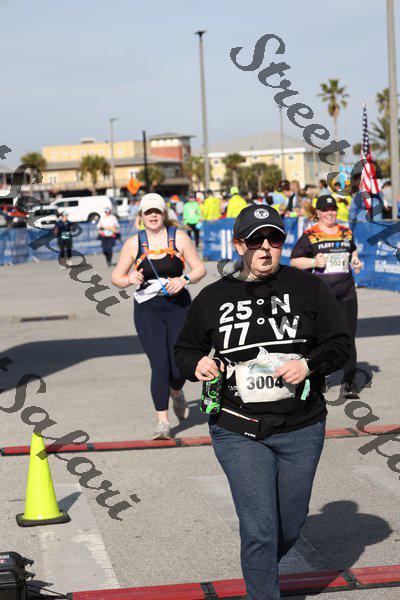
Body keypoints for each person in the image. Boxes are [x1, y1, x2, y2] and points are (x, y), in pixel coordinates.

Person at [174, 204, 350, 600]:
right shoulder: (213, 297)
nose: (266, 247)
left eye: (275, 239)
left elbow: (339, 344)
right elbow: (185, 349)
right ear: (239, 245)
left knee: (290, 525)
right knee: (259, 530)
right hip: (237, 427)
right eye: (256, 240)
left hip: (301, 426)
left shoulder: (309, 288)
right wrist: (197, 364)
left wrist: (309, 365)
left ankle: (261, 568)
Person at [111, 193, 206, 440]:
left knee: (179, 366)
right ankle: (163, 423)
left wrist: (184, 279)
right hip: (148, 309)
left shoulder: (179, 237)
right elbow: (116, 277)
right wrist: (129, 278)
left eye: (157, 211)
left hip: (178, 306)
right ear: (141, 216)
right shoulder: (133, 243)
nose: (153, 216)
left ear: (164, 214)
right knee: (160, 363)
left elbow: (199, 269)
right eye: (148, 212)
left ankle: (176, 392)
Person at [290, 195, 362, 399]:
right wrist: (314, 262)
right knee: (320, 337)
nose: (330, 213)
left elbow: (352, 252)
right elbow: (295, 261)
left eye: (333, 209)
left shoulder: (346, 232)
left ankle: (349, 383)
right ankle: (318, 378)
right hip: (322, 296)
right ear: (318, 213)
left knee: (348, 337)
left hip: (347, 292)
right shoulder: (311, 235)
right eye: (326, 210)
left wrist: (356, 262)